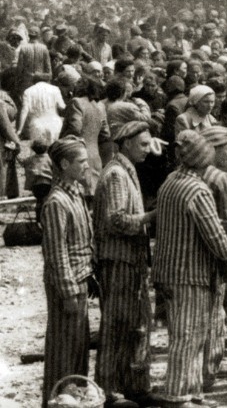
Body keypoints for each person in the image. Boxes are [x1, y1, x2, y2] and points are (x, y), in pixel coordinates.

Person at [151, 130, 227, 407]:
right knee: (188, 339)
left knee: (183, 335)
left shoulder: (169, 182)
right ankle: (178, 396)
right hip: (190, 275)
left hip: (168, 271)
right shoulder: (197, 190)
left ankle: (191, 392)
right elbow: (214, 236)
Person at [93, 121, 156, 408]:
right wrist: (150, 218)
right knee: (115, 327)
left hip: (129, 260)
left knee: (132, 326)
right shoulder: (117, 174)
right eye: (143, 144)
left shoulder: (126, 170)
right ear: (127, 143)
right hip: (117, 261)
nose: (148, 149)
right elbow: (116, 219)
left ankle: (130, 386)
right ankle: (109, 389)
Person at [41, 136, 94, 407]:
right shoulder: (56, 203)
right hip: (68, 287)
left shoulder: (75, 193)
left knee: (78, 352)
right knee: (63, 353)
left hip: (80, 280)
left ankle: (74, 401)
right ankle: (56, 402)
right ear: (64, 164)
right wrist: (69, 292)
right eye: (81, 162)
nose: (87, 166)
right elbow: (57, 254)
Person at [199, 126, 227, 392]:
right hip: (218, 253)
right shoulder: (221, 178)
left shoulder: (191, 174)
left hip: (197, 255)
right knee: (216, 314)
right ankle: (209, 370)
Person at [60, 77, 112, 200]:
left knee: (73, 196)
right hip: (94, 156)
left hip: (76, 156)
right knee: (91, 196)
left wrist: (61, 142)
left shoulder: (76, 102)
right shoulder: (100, 106)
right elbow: (106, 134)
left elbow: (75, 128)